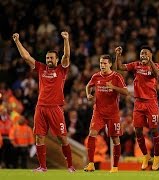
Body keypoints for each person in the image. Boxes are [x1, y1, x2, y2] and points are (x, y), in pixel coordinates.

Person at [12, 32, 75, 172]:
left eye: (51, 58)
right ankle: (42, 167)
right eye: (47, 58)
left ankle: (70, 166)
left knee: (62, 139)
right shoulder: (41, 68)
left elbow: (67, 56)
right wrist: (17, 41)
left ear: (57, 59)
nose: (48, 60)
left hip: (55, 108)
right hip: (40, 107)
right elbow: (26, 56)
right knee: (39, 138)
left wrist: (66, 40)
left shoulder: (61, 69)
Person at [115, 45, 159, 170]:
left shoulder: (156, 65)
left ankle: (156, 157)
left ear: (151, 55)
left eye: (146, 53)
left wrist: (149, 61)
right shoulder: (136, 65)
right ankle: (146, 156)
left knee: (154, 130)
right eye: (141, 53)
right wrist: (118, 55)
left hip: (151, 102)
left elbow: (157, 74)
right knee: (138, 131)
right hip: (138, 103)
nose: (143, 55)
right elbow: (119, 67)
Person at [84, 54, 129, 173]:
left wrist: (113, 87)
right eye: (101, 63)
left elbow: (126, 92)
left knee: (115, 139)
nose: (102, 65)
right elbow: (88, 86)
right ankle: (91, 164)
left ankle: (115, 167)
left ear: (110, 64)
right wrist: (88, 94)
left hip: (113, 114)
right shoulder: (96, 76)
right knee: (92, 134)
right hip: (98, 112)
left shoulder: (116, 76)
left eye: (104, 63)